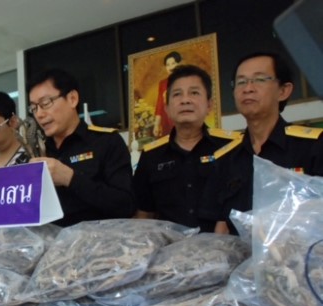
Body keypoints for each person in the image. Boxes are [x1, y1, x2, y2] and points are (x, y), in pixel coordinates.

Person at [215, 52, 323, 233]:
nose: (248, 88)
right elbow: (222, 226)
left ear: (283, 91)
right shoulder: (225, 158)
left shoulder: (314, 146)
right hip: (241, 252)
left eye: (259, 79)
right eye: (241, 82)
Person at [133, 65, 240, 232]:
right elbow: (144, 214)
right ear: (167, 108)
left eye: (194, 93)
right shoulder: (151, 155)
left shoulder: (231, 147)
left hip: (221, 245)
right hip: (169, 246)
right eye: (177, 94)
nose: (185, 100)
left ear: (209, 105)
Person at [27, 68, 135, 226]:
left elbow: (125, 206)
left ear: (72, 99)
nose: (39, 114)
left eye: (45, 103)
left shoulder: (106, 142)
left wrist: (70, 178)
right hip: (49, 240)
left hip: (99, 238)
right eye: (34, 108)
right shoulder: (37, 152)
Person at [153, 51, 183, 138]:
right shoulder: (163, 83)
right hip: (167, 120)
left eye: (173, 63)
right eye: (168, 65)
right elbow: (159, 105)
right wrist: (156, 124)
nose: (170, 67)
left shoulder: (186, 80)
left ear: (179, 64)